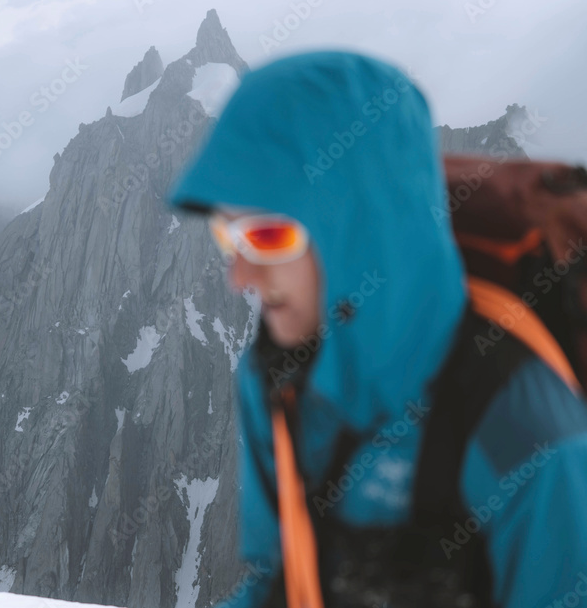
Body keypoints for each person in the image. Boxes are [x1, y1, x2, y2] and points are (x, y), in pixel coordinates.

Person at [167, 51, 587, 608]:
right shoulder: (277, 377)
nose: (238, 277)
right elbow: (282, 580)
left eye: (266, 237)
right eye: (229, 237)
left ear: (355, 229)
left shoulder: (527, 437)